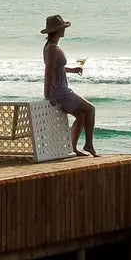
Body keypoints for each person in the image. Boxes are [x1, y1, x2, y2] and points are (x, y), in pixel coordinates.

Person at [41, 14, 97, 155]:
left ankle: (73, 147)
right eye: (63, 28)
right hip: (60, 91)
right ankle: (89, 145)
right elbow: (48, 72)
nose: (64, 30)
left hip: (61, 89)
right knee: (90, 109)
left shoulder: (50, 46)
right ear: (58, 30)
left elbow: (55, 68)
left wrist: (72, 70)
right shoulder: (53, 48)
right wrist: (48, 95)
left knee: (81, 115)